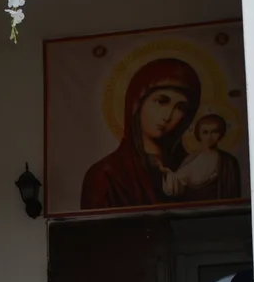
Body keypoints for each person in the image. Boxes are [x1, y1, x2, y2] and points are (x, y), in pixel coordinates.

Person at [79, 58, 200, 211]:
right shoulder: (106, 175)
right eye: (161, 101)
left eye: (180, 108)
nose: (168, 116)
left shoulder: (193, 168)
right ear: (137, 103)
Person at [164, 113, 243, 201]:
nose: (209, 136)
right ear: (199, 134)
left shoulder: (229, 161)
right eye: (205, 132)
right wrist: (165, 173)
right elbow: (177, 182)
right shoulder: (191, 160)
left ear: (221, 133)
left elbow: (233, 192)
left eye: (214, 132)